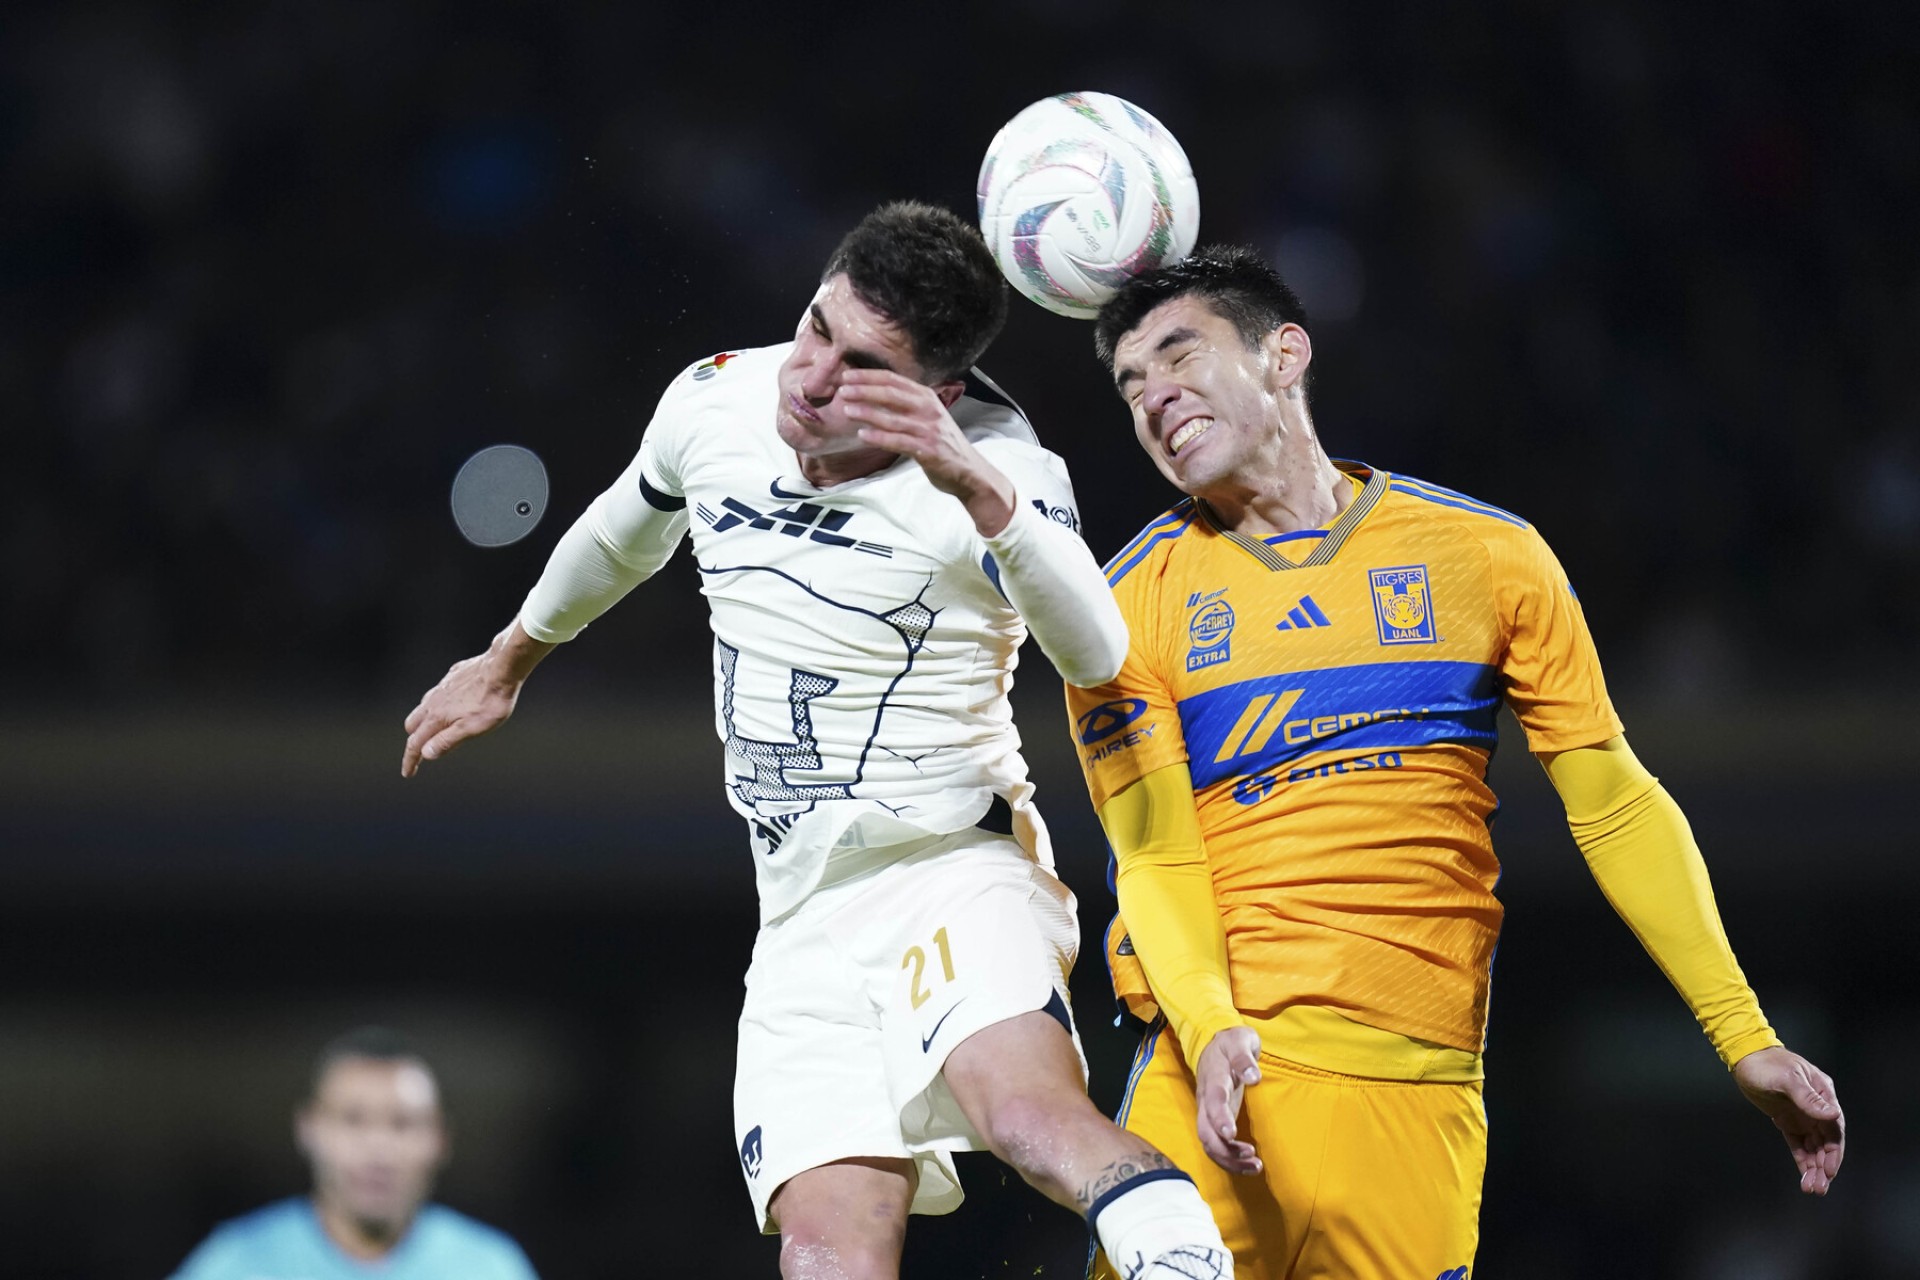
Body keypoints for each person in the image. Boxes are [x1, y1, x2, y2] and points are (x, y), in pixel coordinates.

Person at [400, 201, 1231, 1280]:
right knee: (825, 1246)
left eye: (862, 366)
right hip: (797, 906)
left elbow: (1094, 645)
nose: (811, 377)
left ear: (937, 394)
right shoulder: (717, 397)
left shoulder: (999, 470)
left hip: (947, 865)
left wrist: (972, 485)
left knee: (1027, 1118)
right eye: (816, 327)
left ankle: (1186, 1260)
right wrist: (512, 656)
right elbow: (625, 527)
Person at [1065, 245, 1846, 1279]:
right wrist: (1209, 1029)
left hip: (1421, 1105)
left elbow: (1614, 803)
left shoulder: (1487, 555)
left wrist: (1743, 1033)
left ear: (1285, 354)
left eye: (1178, 354)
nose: (1154, 396)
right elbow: (1155, 854)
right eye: (1130, 385)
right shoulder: (1123, 608)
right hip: (1217, 1083)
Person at [168, 1026, 537, 1280]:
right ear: (308, 1129)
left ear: (439, 1139)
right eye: (353, 1120)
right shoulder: (238, 1263)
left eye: (402, 1124)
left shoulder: (490, 1268)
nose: (378, 1148)